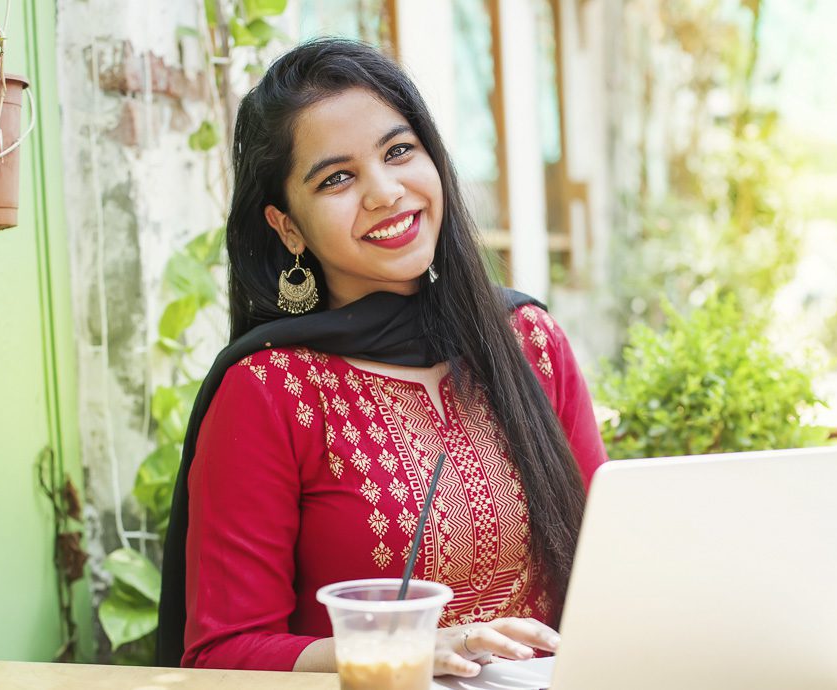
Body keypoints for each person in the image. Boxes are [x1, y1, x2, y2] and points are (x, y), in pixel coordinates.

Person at [156, 37, 606, 678]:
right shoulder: (270, 390)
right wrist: (403, 651)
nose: (386, 192)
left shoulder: (527, 342)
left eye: (399, 151)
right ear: (288, 226)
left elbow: (609, 564)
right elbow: (224, 650)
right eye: (337, 177)